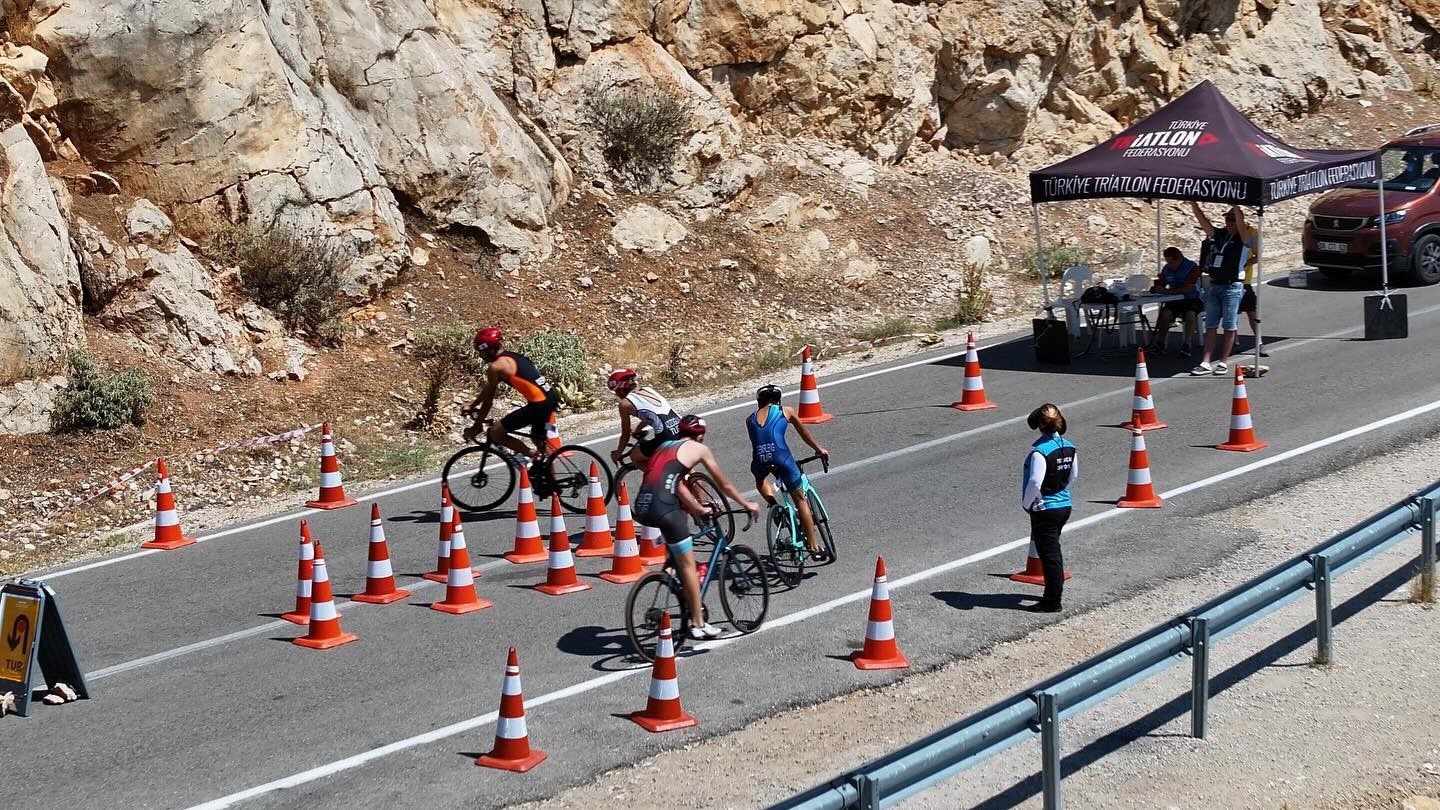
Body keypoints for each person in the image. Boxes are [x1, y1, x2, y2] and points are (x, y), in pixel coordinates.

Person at [632, 428, 760, 640]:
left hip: (644, 505)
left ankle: (674, 578)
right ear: (700, 435)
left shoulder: (665, 446)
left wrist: (698, 509)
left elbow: (678, 484)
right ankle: (698, 623)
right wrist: (746, 503)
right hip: (665, 508)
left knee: (678, 556)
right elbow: (724, 484)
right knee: (688, 565)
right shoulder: (699, 449)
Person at [747, 384, 830, 561]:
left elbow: (759, 440)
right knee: (800, 499)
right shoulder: (787, 411)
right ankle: (814, 547)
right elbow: (804, 434)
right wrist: (818, 449)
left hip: (760, 460)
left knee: (760, 479)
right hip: (781, 457)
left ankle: (773, 504)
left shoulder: (750, 419)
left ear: (759, 401)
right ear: (778, 399)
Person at [462, 327, 559, 464]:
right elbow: (488, 389)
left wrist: (475, 427)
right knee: (538, 440)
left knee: (496, 432)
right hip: (550, 398)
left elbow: (488, 403)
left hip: (538, 405)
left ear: (489, 350)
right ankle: (551, 483)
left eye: (481, 352)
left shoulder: (496, 367)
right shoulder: (514, 357)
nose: (480, 356)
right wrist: (472, 405)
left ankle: (532, 455)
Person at [1020, 404, 1077, 613]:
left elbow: (1035, 482)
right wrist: (1062, 493)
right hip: (1064, 505)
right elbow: (1073, 476)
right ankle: (1053, 593)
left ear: (1039, 425)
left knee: (1050, 555)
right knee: (1052, 550)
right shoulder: (1069, 446)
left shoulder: (1039, 452)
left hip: (1045, 509)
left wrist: (1027, 504)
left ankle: (1053, 600)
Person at [1188, 203, 1251, 375]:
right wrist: (1194, 205)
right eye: (1227, 219)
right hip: (1215, 284)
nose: (1229, 223)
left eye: (1232, 220)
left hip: (1232, 286)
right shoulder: (1221, 235)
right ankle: (1206, 361)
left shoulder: (1243, 238)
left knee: (1229, 325)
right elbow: (1204, 223)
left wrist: (1236, 207)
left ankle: (1223, 361)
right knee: (1211, 324)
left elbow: (1241, 225)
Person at [607, 369, 682, 465]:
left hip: (667, 436)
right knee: (684, 466)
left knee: (635, 456)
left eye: (616, 391)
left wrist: (618, 453)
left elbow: (625, 435)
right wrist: (638, 428)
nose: (617, 395)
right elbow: (655, 414)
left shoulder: (624, 404)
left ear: (621, 389)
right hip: (681, 426)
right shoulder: (648, 390)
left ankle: (656, 479)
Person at [1146, 246, 1203, 357]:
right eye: (1167, 262)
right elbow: (1162, 282)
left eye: (1172, 262)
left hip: (1191, 299)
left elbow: (1187, 288)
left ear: (1179, 259)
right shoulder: (1167, 268)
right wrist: (1156, 288)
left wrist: (1168, 292)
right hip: (1173, 300)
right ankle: (1160, 343)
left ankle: (1187, 343)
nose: (1170, 265)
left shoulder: (1192, 267)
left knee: (1190, 314)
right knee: (1165, 314)